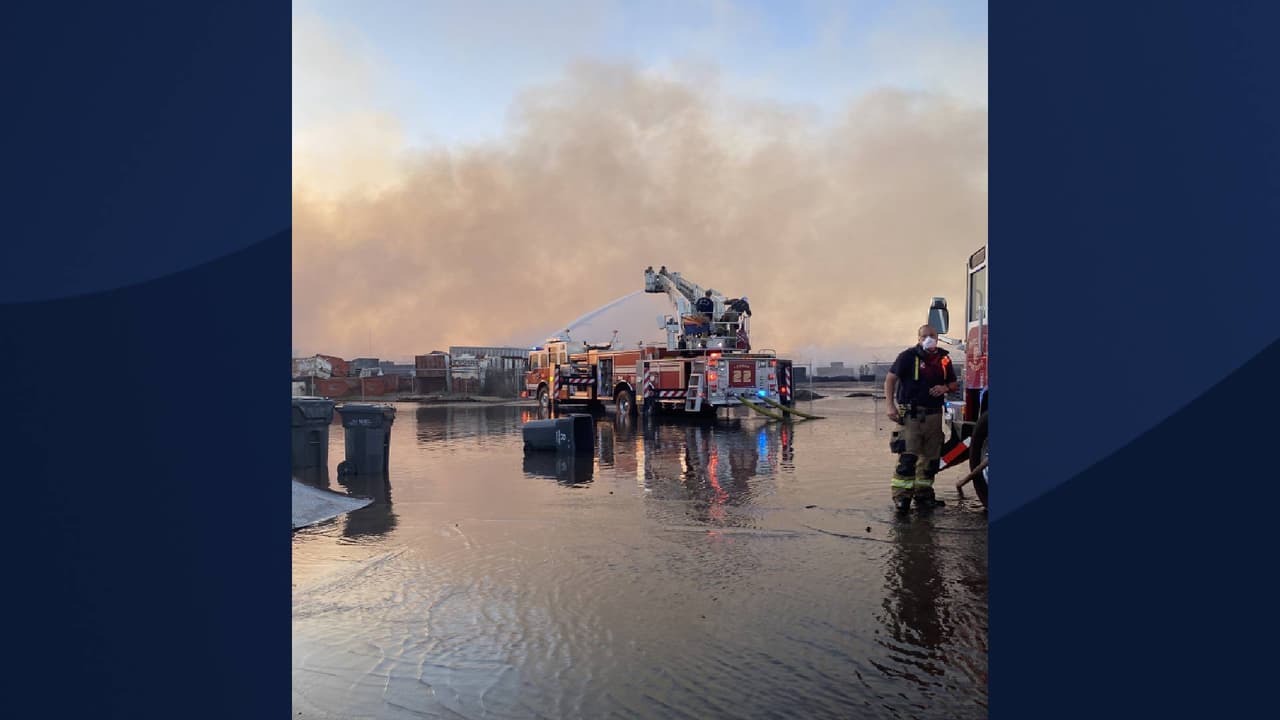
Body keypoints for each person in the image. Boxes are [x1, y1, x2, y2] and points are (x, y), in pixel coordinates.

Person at [884, 324, 958, 512]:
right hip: (911, 416)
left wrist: (945, 388)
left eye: (932, 335)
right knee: (908, 459)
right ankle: (902, 498)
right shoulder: (907, 356)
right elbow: (890, 379)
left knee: (930, 460)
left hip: (934, 416)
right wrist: (890, 405)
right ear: (918, 338)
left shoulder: (944, 359)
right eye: (924, 336)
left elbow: (953, 383)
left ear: (938, 337)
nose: (928, 338)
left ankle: (923, 495)